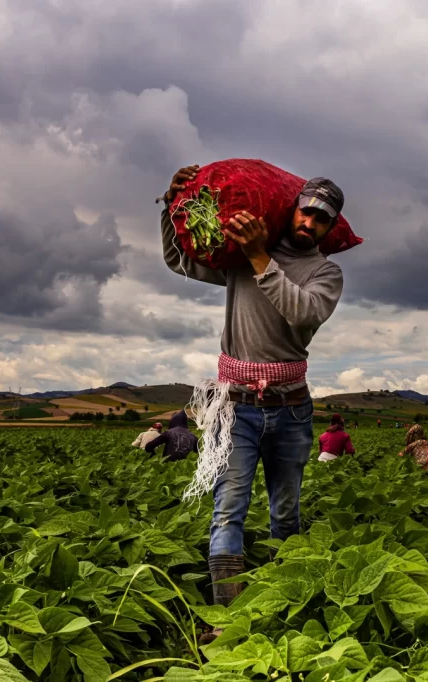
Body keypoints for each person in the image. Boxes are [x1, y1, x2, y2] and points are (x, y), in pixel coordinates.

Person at [160, 165, 347, 619]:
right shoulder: (242, 256)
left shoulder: (325, 272)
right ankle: (228, 621)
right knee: (228, 510)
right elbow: (180, 259)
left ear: (330, 226)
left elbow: (301, 314)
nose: (308, 224)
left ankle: (286, 604)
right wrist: (172, 207)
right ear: (293, 211)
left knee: (285, 512)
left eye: (320, 219)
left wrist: (261, 256)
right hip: (237, 406)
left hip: (292, 409)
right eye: (304, 213)